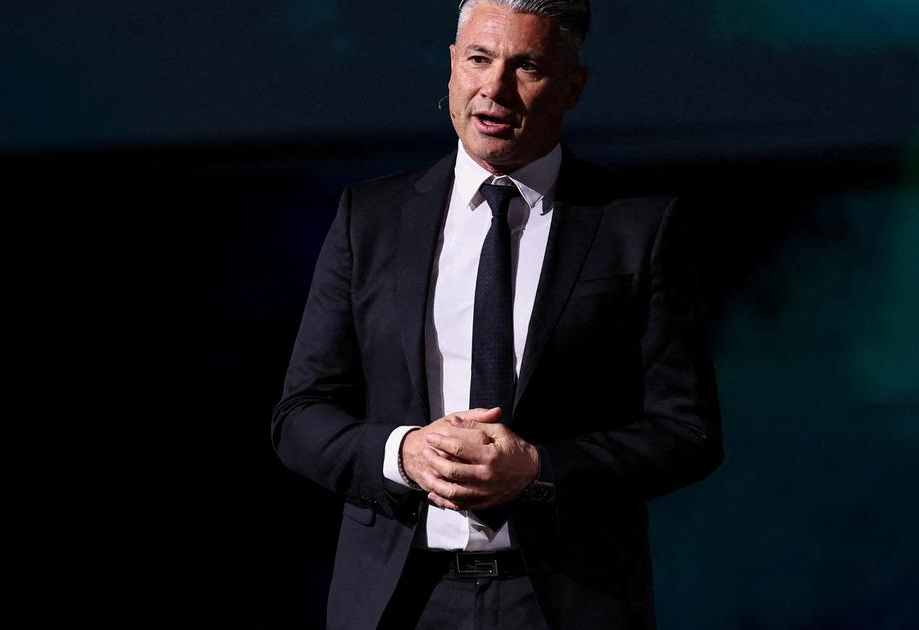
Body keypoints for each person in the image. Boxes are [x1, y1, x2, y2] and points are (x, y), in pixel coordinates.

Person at [272, 1, 722, 628]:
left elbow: (687, 432)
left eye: (527, 66)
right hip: (398, 599)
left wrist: (538, 471)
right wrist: (403, 453)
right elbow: (300, 417)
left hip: (566, 602)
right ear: (451, 66)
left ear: (573, 88)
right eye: (479, 59)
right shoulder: (369, 218)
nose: (495, 88)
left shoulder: (637, 227)